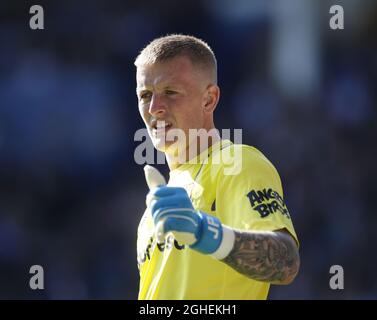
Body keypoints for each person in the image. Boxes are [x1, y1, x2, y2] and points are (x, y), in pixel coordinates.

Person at [134, 34, 300, 300]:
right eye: (145, 95)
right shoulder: (156, 206)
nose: (155, 108)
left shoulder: (237, 164)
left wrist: (204, 232)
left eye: (170, 92)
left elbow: (285, 262)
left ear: (209, 99)